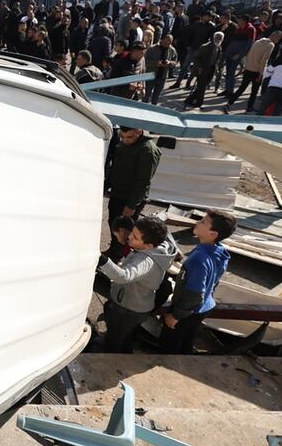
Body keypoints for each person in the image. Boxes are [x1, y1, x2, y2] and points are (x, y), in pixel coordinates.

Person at [96, 216, 177, 354]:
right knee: (124, 335)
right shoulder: (156, 248)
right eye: (132, 232)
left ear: (149, 246)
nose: (129, 238)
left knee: (114, 338)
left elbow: (124, 276)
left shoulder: (146, 261)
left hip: (129, 309)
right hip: (138, 305)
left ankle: (109, 360)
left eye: (135, 237)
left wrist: (101, 259)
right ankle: (125, 352)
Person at [159, 210, 235, 354]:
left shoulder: (198, 259)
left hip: (187, 312)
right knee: (186, 341)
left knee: (169, 346)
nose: (197, 223)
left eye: (203, 222)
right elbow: (213, 282)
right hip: (205, 306)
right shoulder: (219, 251)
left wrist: (176, 316)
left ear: (213, 234)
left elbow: (194, 294)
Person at [106, 126, 161, 226]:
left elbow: (143, 182)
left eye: (129, 137)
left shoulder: (148, 151)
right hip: (117, 194)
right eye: (122, 137)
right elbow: (115, 168)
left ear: (139, 132)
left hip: (130, 198)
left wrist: (131, 205)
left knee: (124, 231)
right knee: (113, 224)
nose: (125, 140)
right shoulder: (124, 144)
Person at [225, 31, 276, 113]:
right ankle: (249, 107)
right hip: (257, 71)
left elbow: (249, 54)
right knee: (254, 91)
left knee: (241, 88)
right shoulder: (270, 45)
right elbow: (264, 60)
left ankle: (228, 104)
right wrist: (261, 74)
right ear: (275, 37)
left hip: (248, 69)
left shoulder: (257, 41)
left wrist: (246, 67)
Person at [183, 31, 224, 109]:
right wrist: (199, 67)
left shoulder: (219, 47)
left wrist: (216, 69)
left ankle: (189, 100)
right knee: (201, 88)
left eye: (220, 38)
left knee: (202, 87)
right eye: (217, 38)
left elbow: (217, 60)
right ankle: (199, 103)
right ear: (214, 37)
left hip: (211, 69)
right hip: (202, 69)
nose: (219, 40)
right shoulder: (205, 46)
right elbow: (195, 57)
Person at [143, 33, 178, 104]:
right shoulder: (152, 48)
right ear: (162, 40)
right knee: (146, 95)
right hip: (151, 75)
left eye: (169, 43)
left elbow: (175, 62)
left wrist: (169, 63)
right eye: (165, 42)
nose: (167, 44)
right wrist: (155, 63)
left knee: (156, 96)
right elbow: (144, 61)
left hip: (163, 76)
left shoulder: (172, 50)